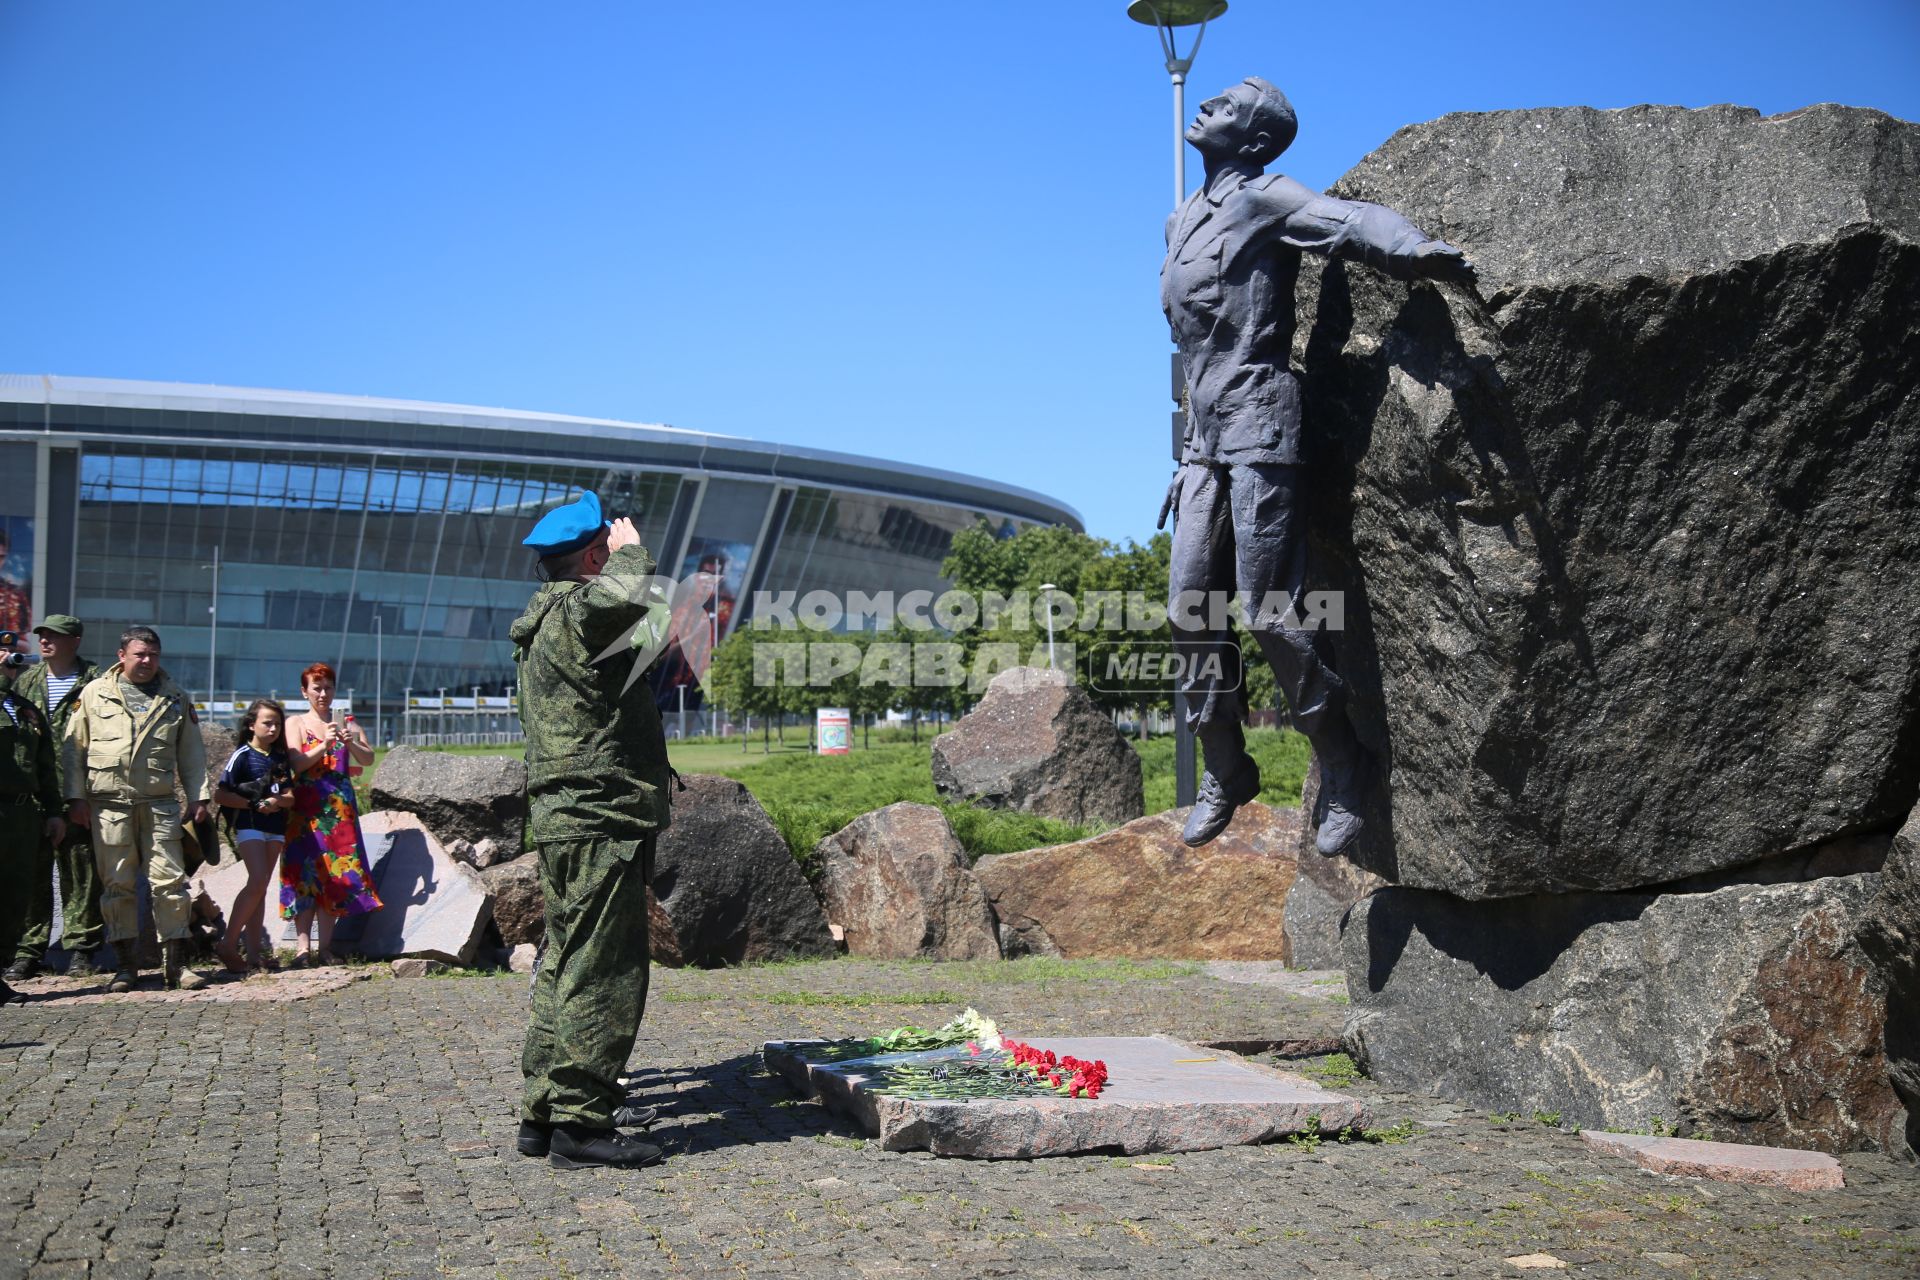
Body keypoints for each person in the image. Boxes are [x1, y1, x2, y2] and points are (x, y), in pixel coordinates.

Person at [1158, 76, 1474, 854]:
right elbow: (1190, 352)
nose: (1207, 108)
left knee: (1269, 609)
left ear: (1256, 141)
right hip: (1203, 442)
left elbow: (1349, 221)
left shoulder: (1268, 198)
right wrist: (1180, 455)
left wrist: (1415, 250)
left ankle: (1341, 758)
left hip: (1264, 426)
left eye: (1226, 107)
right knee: (1187, 607)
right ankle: (1226, 766)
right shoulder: (1179, 221)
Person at [512, 490, 671, 1170]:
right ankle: (581, 1123)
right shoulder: (581, 612)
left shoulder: (543, 621)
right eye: (606, 550)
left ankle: (543, 1112)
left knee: (567, 961)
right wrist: (633, 548)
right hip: (599, 814)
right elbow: (623, 600)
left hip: (564, 813)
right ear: (593, 556)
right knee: (603, 969)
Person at [61, 626, 213, 992]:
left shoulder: (175, 697)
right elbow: (73, 750)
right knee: (117, 885)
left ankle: (176, 966)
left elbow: (191, 754)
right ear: (122, 655)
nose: (147, 661)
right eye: (139, 654)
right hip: (108, 805)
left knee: (171, 883)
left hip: (158, 804)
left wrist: (199, 797)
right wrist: (75, 798)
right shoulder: (95, 694)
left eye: (153, 655)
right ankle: (126, 967)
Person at [10, 615, 107, 978]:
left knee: (81, 873)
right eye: (43, 635)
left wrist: (84, 792)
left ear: (75, 641)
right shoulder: (28, 679)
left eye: (55, 636)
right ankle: (29, 949)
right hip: (36, 794)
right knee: (34, 874)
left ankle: (82, 948)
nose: (46, 642)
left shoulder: (96, 681)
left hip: (78, 792)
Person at [281, 664, 380, 965]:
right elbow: (295, 764)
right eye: (316, 688)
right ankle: (302, 949)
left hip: (339, 813)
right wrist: (324, 744)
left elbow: (368, 758)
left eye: (328, 688)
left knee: (336, 877)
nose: (323, 694)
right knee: (304, 876)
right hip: (306, 812)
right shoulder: (295, 723)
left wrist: (349, 741)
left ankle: (325, 947)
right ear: (304, 691)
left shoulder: (346, 722)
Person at [212, 699, 295, 974]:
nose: (273, 728)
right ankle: (228, 943)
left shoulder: (280, 758)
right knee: (258, 881)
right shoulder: (243, 755)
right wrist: (252, 804)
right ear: (251, 725)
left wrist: (276, 802)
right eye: (267, 723)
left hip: (275, 828)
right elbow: (221, 794)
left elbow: (290, 796)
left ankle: (254, 955)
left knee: (260, 889)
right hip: (249, 826)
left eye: (277, 724)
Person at [0, 670, 65, 1003]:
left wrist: (54, 811)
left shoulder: (25, 709)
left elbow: (45, 765)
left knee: (14, 895)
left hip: (23, 814)